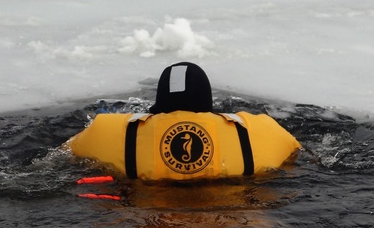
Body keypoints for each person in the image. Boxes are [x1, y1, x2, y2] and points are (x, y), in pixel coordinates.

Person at [67, 62, 301, 181]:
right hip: (234, 218)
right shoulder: (257, 132)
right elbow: (297, 153)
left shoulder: (107, 132)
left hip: (144, 216)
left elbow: (61, 156)